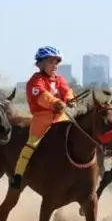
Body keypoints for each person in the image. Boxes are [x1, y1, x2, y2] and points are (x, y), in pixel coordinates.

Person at [10, 46, 76, 190]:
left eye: (56, 62)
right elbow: (42, 96)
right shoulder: (35, 80)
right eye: (51, 62)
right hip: (42, 119)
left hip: (61, 117)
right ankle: (18, 176)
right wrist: (56, 102)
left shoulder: (60, 79)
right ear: (41, 64)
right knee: (31, 145)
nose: (55, 66)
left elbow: (67, 91)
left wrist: (70, 99)